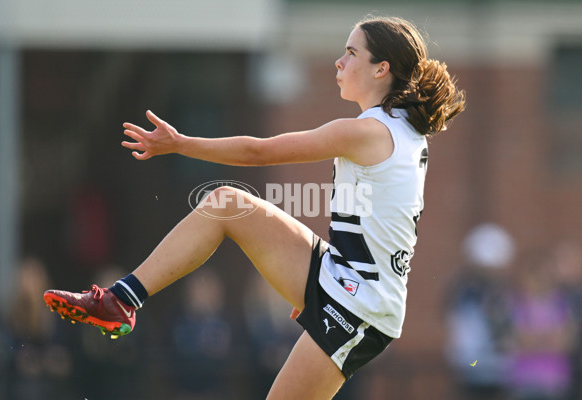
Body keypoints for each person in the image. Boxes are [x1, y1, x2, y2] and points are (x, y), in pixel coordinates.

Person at [44, 15, 465, 399]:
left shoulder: (369, 131)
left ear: (382, 68)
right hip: (342, 278)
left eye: (351, 52)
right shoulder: (401, 130)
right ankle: (121, 299)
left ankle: (121, 301)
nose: (339, 62)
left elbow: (257, 153)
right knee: (227, 204)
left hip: (360, 306)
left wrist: (180, 144)